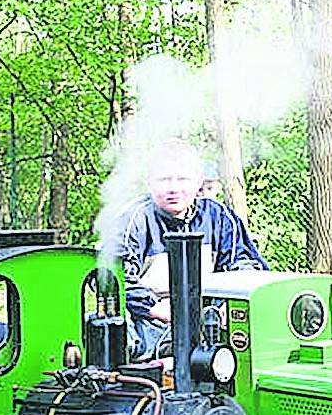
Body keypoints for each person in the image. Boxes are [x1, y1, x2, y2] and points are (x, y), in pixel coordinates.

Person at [108, 140, 267, 360]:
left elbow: (244, 266)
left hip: (209, 325)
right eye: (164, 179)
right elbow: (114, 279)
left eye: (182, 179)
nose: (173, 188)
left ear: (198, 182)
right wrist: (154, 308)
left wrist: (224, 308)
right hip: (150, 324)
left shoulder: (220, 218)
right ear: (149, 182)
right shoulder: (133, 220)